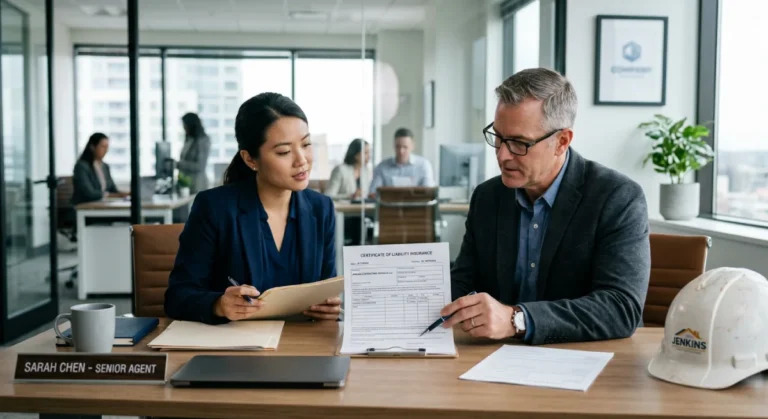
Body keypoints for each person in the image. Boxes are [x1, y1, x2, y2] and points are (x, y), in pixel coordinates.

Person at [440, 68, 650, 345]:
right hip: (497, 355)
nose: (502, 155)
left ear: (562, 142)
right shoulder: (488, 197)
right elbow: (464, 282)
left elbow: (620, 308)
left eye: (518, 143)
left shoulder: (617, 197)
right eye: (499, 138)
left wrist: (517, 319)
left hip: (586, 356)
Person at [164, 92, 340, 324]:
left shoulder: (321, 209)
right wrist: (218, 305)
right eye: (284, 152)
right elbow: (177, 297)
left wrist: (330, 308)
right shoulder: (215, 208)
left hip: (303, 341)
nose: (302, 160)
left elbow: (327, 289)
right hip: (236, 342)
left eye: (306, 144)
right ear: (250, 159)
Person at [368, 128, 435, 195]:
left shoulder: (423, 165)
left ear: (412, 146)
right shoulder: (382, 167)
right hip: (389, 201)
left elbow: (429, 191)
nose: (401, 151)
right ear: (394, 145)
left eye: (405, 147)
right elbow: (373, 193)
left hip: (417, 201)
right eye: (398, 147)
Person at [72, 132, 128, 206]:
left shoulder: (105, 166)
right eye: (102, 147)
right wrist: (109, 195)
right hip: (84, 206)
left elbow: (113, 190)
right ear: (92, 147)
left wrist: (126, 194)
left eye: (107, 147)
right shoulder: (81, 166)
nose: (106, 150)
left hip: (102, 204)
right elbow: (89, 193)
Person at [177, 112, 211, 193]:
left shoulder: (203, 141)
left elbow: (200, 166)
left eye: (185, 125)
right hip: (186, 183)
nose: (184, 127)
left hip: (197, 184)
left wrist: (178, 164)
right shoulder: (189, 140)